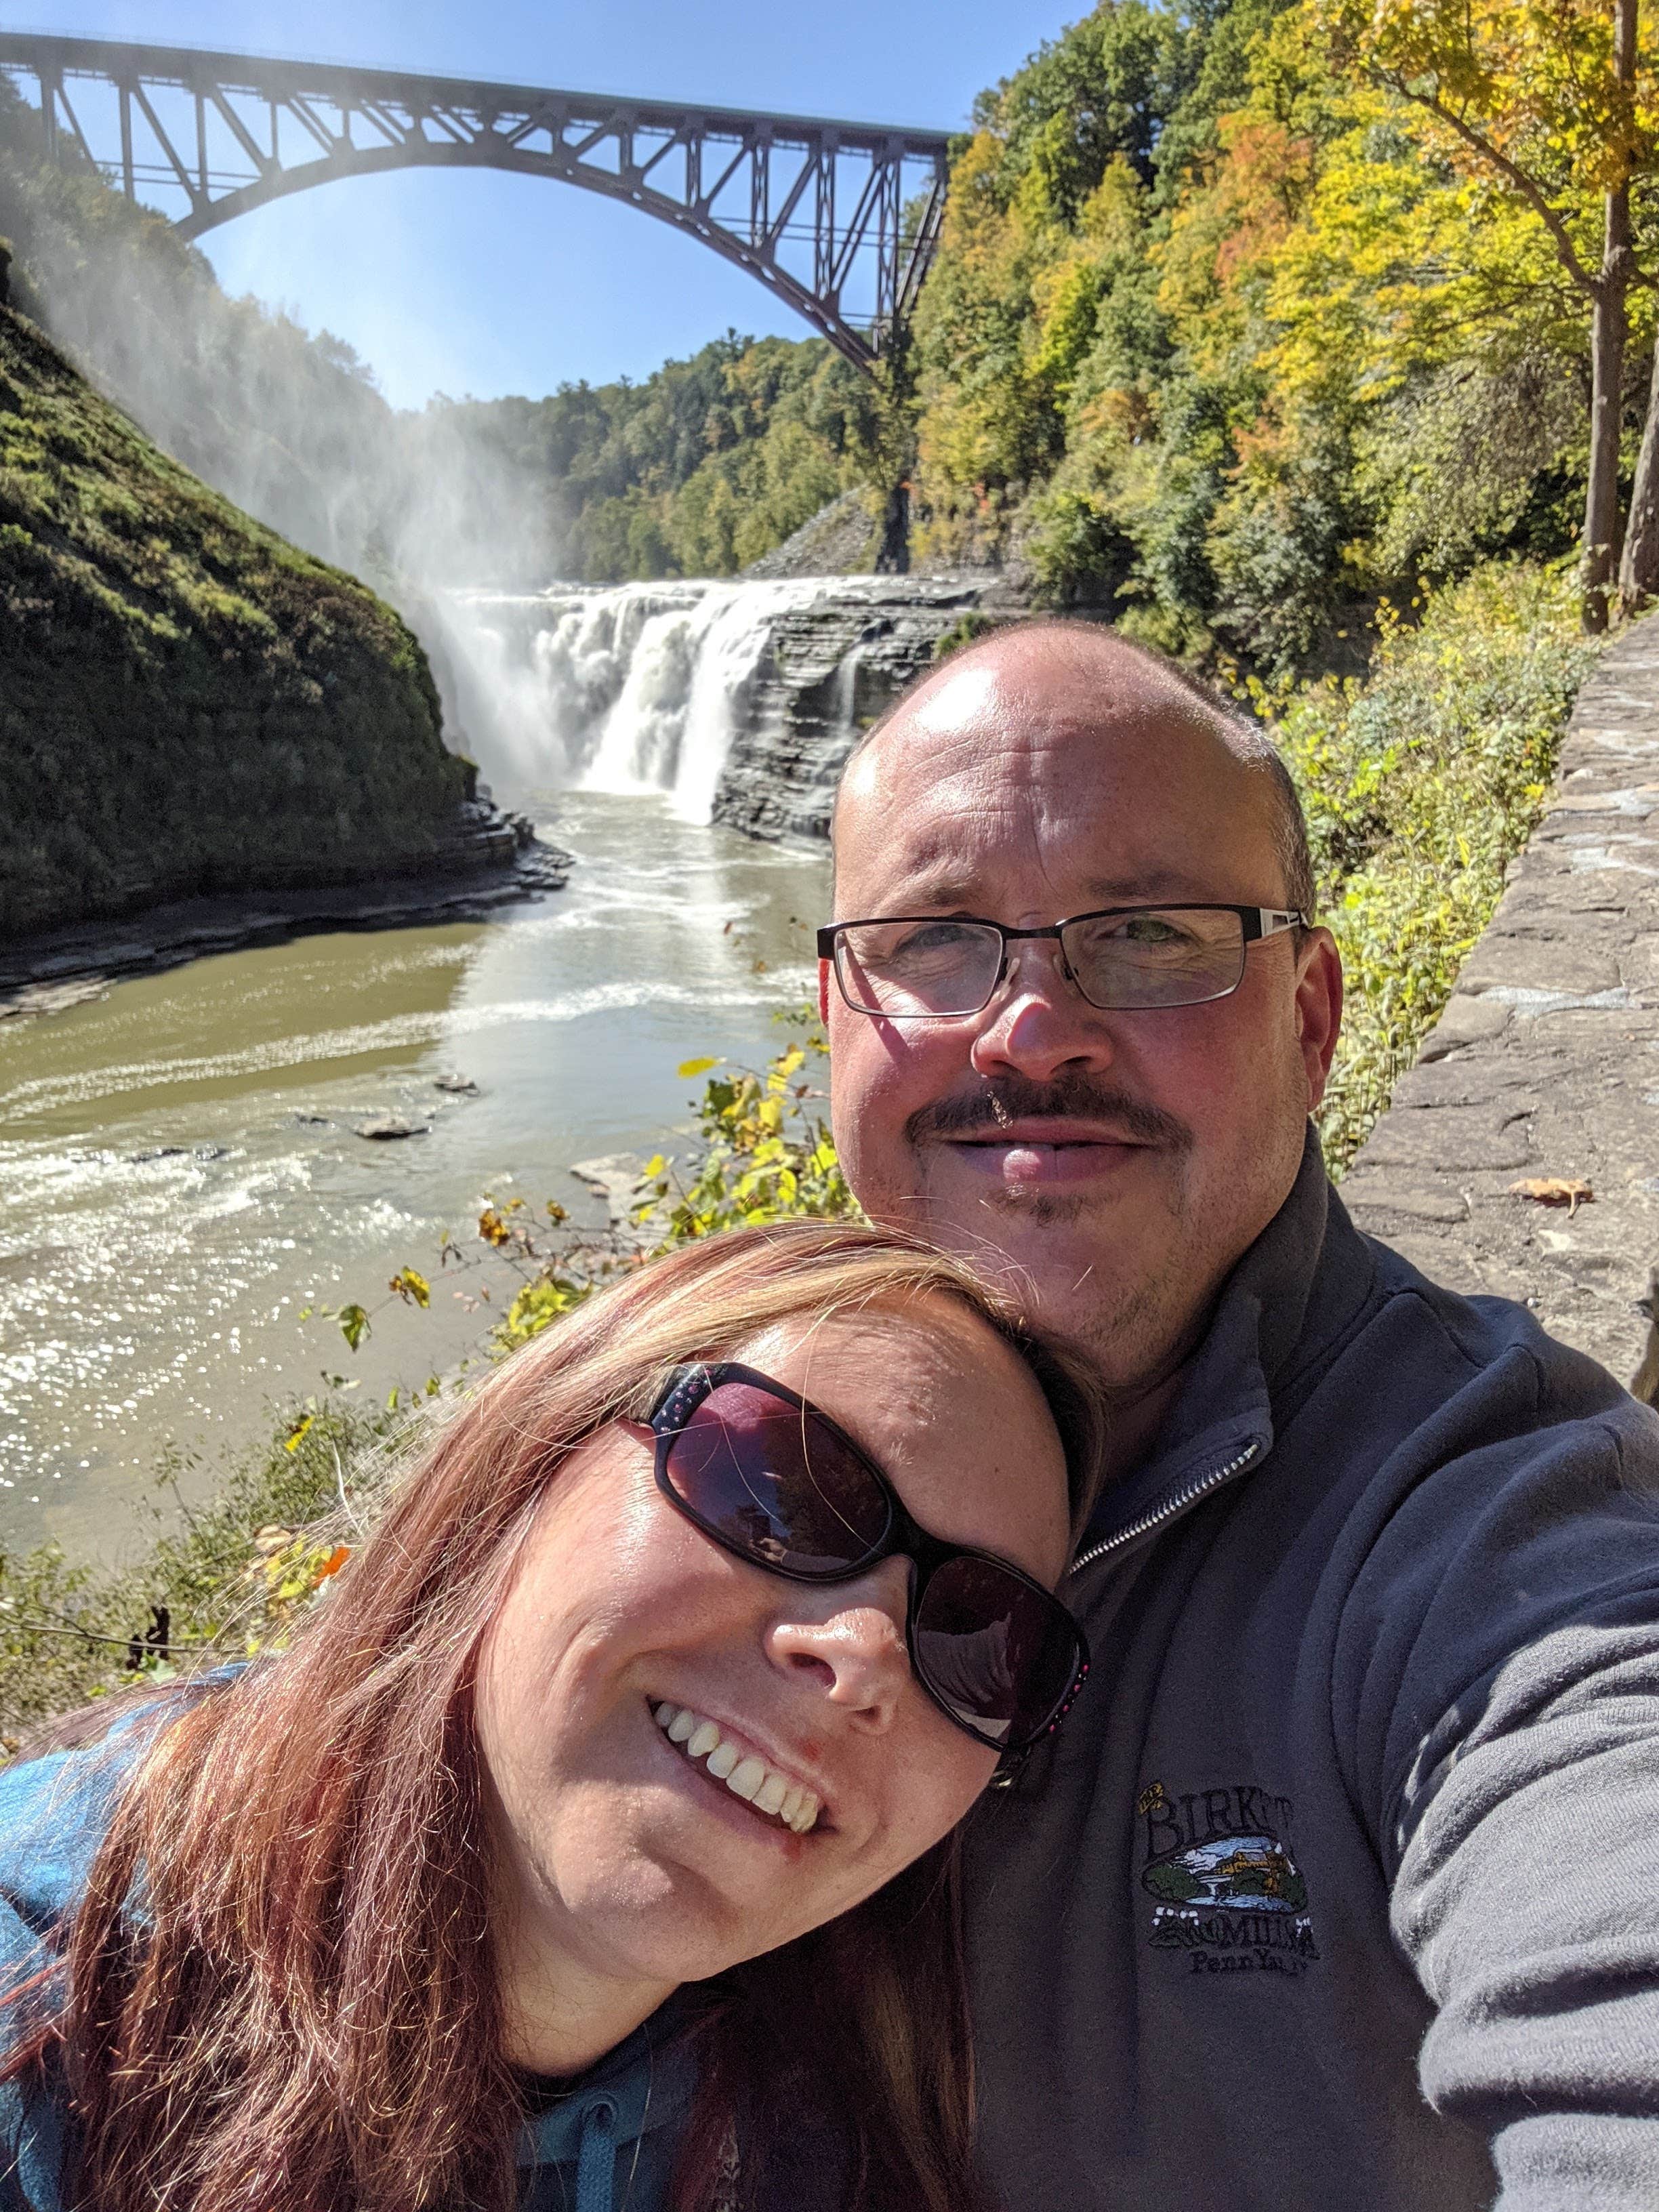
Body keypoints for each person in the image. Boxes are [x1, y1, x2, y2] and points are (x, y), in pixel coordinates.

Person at [819, 619, 1659, 2211]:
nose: (1030, 1029)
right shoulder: (701, 1457)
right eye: (934, 938)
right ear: (834, 1016)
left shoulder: (1493, 1527)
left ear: (1312, 1020)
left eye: (1149, 934)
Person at [0, 1221, 1101, 2212]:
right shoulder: (40, 2002)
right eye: (777, 1487)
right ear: (532, 1462)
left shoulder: (845, 2133)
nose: (864, 1654)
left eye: (985, 1638)